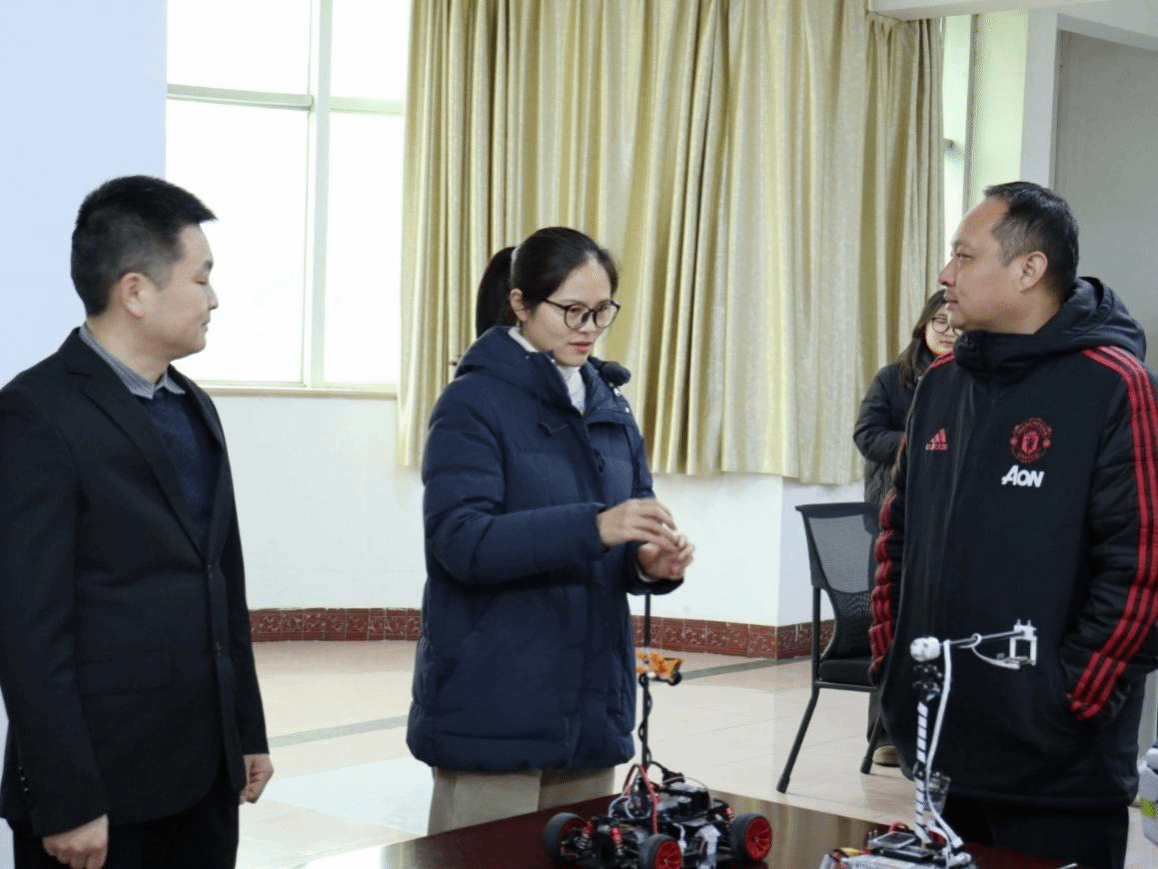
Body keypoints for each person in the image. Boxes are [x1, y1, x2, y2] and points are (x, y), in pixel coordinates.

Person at [870, 181, 1158, 869]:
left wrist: (1068, 700)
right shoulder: (941, 383)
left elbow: (1142, 568)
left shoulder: (1114, 385)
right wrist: (892, 664)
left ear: (1030, 269)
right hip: (942, 745)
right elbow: (895, 536)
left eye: (964, 256)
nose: (946, 274)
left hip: (1056, 766)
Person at [0, 176, 272, 869]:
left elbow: (220, 579)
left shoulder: (193, 406)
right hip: (101, 795)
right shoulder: (35, 413)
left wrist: (246, 729)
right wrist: (65, 796)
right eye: (201, 278)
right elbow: (28, 628)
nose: (214, 298)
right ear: (136, 291)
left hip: (204, 782)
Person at [407, 226, 694, 834]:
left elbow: (619, 537)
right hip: (495, 702)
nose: (589, 328)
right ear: (520, 303)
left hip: (590, 703)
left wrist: (647, 563)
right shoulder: (472, 403)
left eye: (603, 311)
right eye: (571, 311)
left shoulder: (609, 405)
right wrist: (595, 526)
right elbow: (460, 542)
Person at [854, 289, 960, 769]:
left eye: (956, 324)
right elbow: (867, 435)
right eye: (940, 323)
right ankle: (885, 735)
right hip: (894, 516)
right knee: (892, 625)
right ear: (924, 325)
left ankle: (938, 733)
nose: (948, 332)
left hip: (948, 520)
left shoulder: (969, 378)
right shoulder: (893, 378)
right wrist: (925, 444)